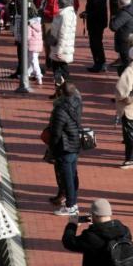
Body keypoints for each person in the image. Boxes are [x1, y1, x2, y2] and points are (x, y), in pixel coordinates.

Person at [49, 82, 83, 216]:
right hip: (75, 144)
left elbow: (56, 132)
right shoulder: (78, 103)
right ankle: (73, 202)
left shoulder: (60, 109)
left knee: (67, 177)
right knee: (73, 174)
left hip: (64, 146)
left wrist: (52, 147)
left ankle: (71, 206)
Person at [49, 0, 77, 87]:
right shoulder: (66, 13)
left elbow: (63, 34)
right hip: (60, 46)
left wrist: (59, 51)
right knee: (61, 70)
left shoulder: (65, 15)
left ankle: (64, 91)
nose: (58, 3)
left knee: (61, 71)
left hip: (61, 48)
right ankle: (61, 90)